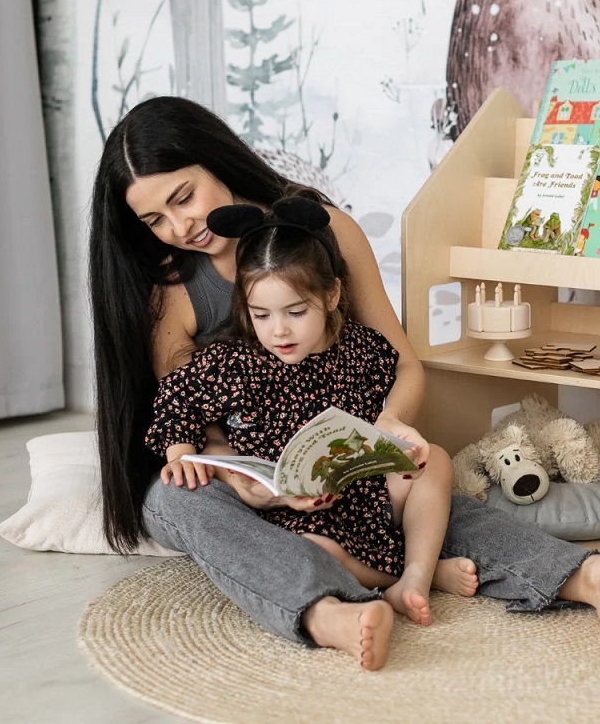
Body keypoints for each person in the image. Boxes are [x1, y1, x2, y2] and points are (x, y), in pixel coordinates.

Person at [90, 95, 600, 672]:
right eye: (154, 220)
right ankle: (325, 611)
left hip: (344, 471)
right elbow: (190, 418)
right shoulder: (172, 287)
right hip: (247, 481)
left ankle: (592, 578)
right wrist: (244, 483)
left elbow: (399, 361)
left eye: (184, 197)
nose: (180, 226)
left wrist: (390, 427)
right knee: (174, 498)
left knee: (431, 493)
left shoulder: (322, 228)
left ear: (217, 161)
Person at [145, 194, 469, 627]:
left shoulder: (358, 348)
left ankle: (417, 574)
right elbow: (175, 398)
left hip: (363, 494)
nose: (279, 331)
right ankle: (404, 579)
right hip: (290, 511)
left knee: (437, 461)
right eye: (261, 315)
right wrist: (181, 454)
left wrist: (392, 426)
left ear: (332, 295)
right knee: (317, 552)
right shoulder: (233, 362)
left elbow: (397, 380)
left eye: (296, 312)